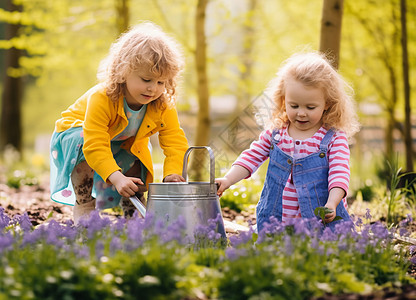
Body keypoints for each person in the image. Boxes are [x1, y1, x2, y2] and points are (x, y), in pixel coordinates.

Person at [50, 22, 189, 224]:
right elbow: (95, 143)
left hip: (120, 139)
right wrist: (116, 177)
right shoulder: (104, 97)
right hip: (79, 138)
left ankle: (133, 209)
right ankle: (85, 205)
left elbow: (174, 141)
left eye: (161, 82)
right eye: (146, 79)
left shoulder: (161, 104)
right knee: (82, 140)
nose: (153, 89)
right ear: (123, 71)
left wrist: (172, 174)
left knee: (139, 152)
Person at [216, 51, 360, 232]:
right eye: (294, 105)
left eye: (310, 107)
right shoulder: (277, 133)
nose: (301, 112)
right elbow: (251, 157)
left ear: (328, 104)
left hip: (320, 223)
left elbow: (339, 173)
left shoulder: (333, 138)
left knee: (323, 254)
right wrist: (228, 179)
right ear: (283, 100)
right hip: (277, 220)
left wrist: (332, 202)